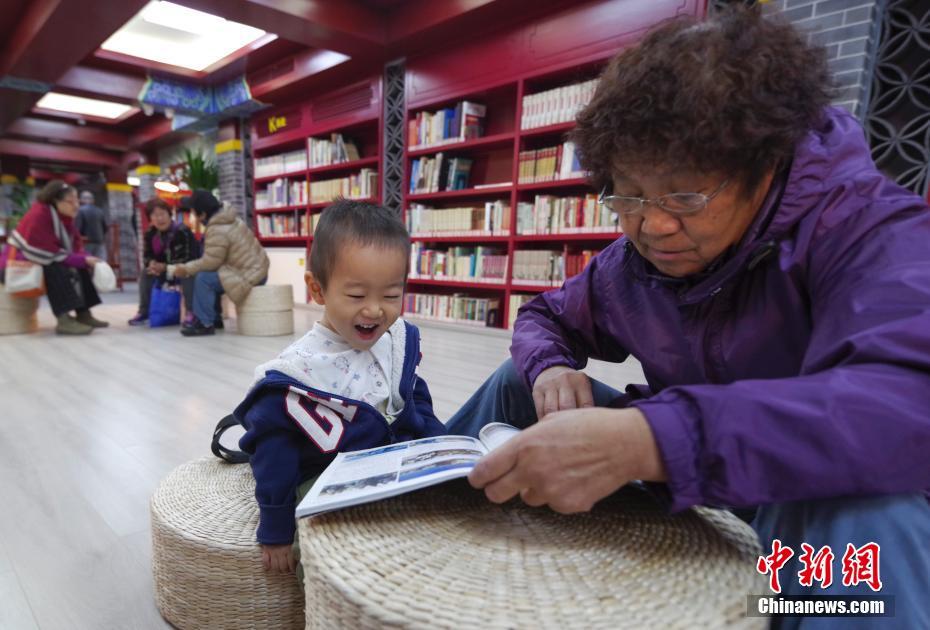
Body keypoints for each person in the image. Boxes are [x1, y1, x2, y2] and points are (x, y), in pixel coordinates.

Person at [448, 7, 930, 628]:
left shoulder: (867, 228)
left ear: (766, 164)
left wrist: (654, 439)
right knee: (517, 383)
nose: (653, 225)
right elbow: (545, 315)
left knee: (867, 515)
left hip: (792, 502)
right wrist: (548, 369)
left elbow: (904, 404)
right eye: (629, 197)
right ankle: (405, 500)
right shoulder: (631, 263)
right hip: (685, 469)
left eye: (684, 197)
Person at [234, 199, 446, 574]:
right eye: (357, 296)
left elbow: (416, 400)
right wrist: (275, 529)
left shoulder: (394, 343)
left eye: (391, 295)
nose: (376, 310)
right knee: (327, 555)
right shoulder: (297, 374)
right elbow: (273, 453)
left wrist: (441, 453)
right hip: (324, 478)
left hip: (388, 466)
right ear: (317, 289)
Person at [0, 180, 108, 335]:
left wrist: (88, 259)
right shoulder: (39, 215)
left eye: (77, 200)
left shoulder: (65, 218)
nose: (76, 205)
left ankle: (83, 313)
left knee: (80, 265)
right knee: (54, 266)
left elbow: (76, 248)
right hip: (13, 266)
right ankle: (63, 319)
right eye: (70, 201)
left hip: (38, 259)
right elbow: (48, 253)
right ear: (55, 201)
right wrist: (82, 259)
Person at [172, 190, 269, 336]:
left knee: (204, 278)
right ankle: (215, 318)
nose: (192, 215)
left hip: (250, 274)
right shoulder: (228, 218)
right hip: (257, 269)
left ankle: (205, 323)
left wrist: (185, 269)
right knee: (213, 275)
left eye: (193, 212)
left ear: (203, 214)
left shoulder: (217, 228)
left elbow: (210, 262)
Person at [128, 197, 198, 326]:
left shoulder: (182, 231)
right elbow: (146, 256)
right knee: (146, 272)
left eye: (162, 214)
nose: (160, 219)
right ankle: (144, 311)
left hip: (182, 268)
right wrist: (151, 264)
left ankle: (191, 313)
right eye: (155, 215)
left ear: (169, 214)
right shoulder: (150, 234)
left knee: (187, 273)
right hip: (163, 270)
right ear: (150, 218)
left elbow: (189, 258)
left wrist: (165, 267)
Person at [75, 190, 109, 260]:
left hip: (86, 242)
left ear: (81, 200)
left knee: (87, 263)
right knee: (100, 263)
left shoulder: (80, 211)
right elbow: (105, 228)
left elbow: (78, 229)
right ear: (93, 200)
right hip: (99, 241)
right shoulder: (100, 211)